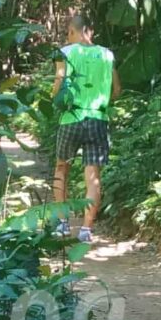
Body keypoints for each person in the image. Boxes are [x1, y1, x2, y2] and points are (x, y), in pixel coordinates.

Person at [52, 17, 117, 241]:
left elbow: (58, 87)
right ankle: (86, 230)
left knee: (62, 168)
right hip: (98, 119)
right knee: (93, 177)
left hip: (71, 118)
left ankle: (62, 223)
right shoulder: (107, 55)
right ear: (90, 31)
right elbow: (116, 90)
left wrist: (55, 99)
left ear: (72, 31)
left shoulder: (65, 53)